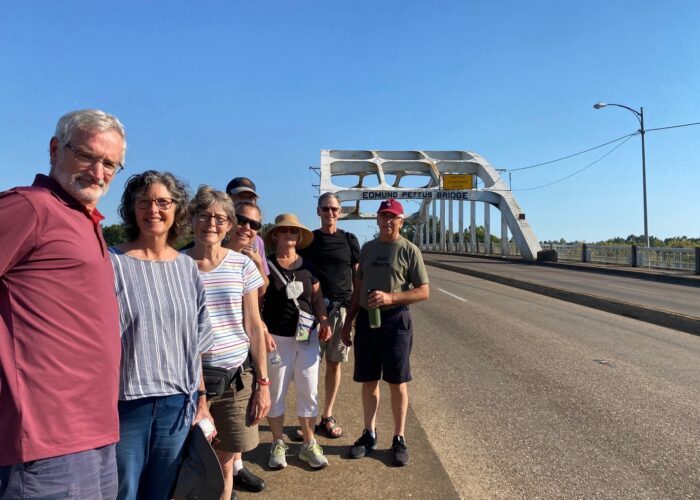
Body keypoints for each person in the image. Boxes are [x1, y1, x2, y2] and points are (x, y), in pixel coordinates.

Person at [0, 109, 125, 498]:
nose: (97, 171)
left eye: (110, 163)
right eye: (87, 156)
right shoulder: (29, 207)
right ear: (56, 149)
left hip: (96, 430)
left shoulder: (86, 220)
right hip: (46, 436)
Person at [110, 171, 214, 500]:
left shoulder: (186, 267)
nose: (153, 209)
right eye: (143, 202)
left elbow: (195, 341)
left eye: (162, 202)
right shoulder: (111, 262)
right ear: (131, 209)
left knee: (162, 491)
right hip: (125, 404)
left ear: (176, 209)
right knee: (122, 492)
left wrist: (202, 399)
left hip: (177, 404)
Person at [183, 187, 271, 499]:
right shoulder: (176, 264)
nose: (212, 223)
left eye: (221, 218)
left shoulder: (242, 265)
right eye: (204, 215)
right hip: (187, 384)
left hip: (234, 380)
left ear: (229, 225)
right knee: (185, 463)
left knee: (224, 462)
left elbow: (254, 327)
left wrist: (263, 383)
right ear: (192, 219)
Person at [340, 199, 430, 467]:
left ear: (401, 222)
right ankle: (369, 433)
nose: (388, 221)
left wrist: (391, 298)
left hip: (395, 321)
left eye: (393, 217)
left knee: (397, 381)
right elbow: (358, 288)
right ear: (377, 220)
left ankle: (399, 438)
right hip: (367, 321)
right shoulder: (368, 249)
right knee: (369, 380)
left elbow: (424, 291)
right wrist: (349, 322)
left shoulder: (409, 250)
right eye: (383, 216)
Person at [262, 214, 333, 470]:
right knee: (276, 390)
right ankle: (277, 442)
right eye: (285, 231)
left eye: (294, 232)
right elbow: (257, 301)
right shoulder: (266, 265)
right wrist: (262, 330)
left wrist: (324, 320)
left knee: (308, 388)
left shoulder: (309, 266)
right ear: (276, 236)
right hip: (277, 337)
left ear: (299, 237)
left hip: (306, 336)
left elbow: (316, 297)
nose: (290, 235)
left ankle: (309, 443)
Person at [298, 192, 360, 439]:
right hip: (311, 313)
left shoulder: (349, 240)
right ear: (318, 211)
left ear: (340, 212)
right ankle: (307, 418)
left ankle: (327, 415)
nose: (330, 213)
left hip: (341, 310)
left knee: (334, 363)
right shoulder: (310, 241)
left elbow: (357, 276)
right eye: (325, 209)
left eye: (334, 209)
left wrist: (355, 313)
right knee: (306, 366)